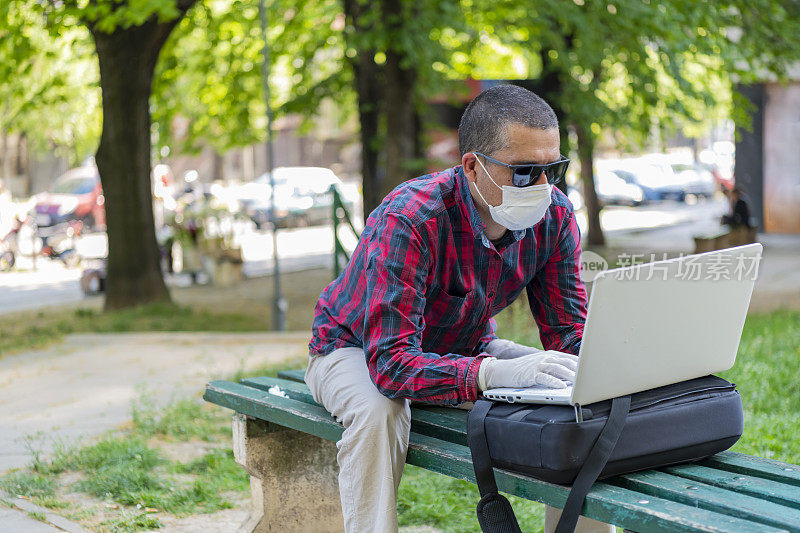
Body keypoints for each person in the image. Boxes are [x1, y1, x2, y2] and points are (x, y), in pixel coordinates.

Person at [306, 84, 612, 533]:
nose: (544, 186)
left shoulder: (557, 217)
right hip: (353, 349)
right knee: (380, 411)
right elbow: (391, 367)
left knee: (582, 385)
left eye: (555, 169)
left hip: (466, 349)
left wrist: (606, 359)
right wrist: (489, 374)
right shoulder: (410, 218)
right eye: (526, 172)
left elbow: (567, 333)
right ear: (473, 166)